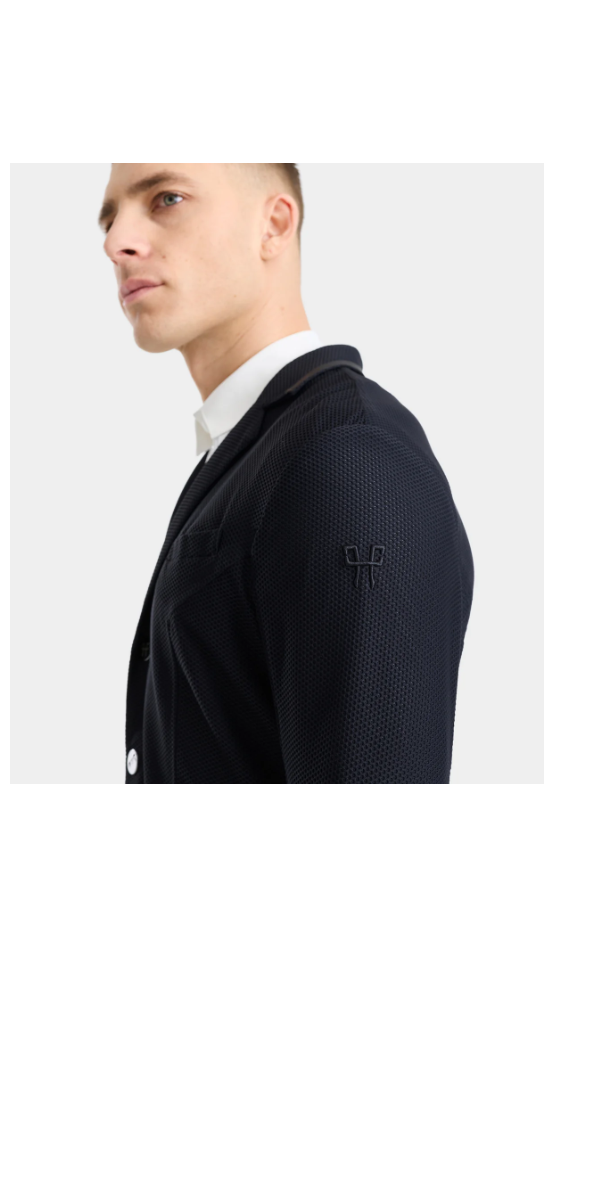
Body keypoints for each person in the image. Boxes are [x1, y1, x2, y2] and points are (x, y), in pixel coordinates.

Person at [100, 163, 474, 783]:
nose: (117, 242)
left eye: (166, 199)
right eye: (109, 219)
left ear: (274, 225)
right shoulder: (261, 452)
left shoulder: (347, 460)